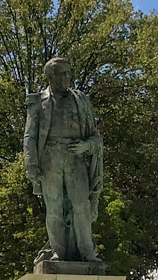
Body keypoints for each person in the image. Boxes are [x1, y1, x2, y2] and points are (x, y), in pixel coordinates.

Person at [23, 55, 104, 266]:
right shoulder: (38, 102)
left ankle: (87, 252)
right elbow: (30, 136)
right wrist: (31, 164)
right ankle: (57, 252)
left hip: (76, 159)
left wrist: (87, 146)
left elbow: (95, 136)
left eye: (69, 73)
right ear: (50, 76)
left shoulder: (81, 100)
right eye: (62, 74)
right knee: (55, 208)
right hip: (50, 159)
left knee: (81, 206)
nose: (67, 78)